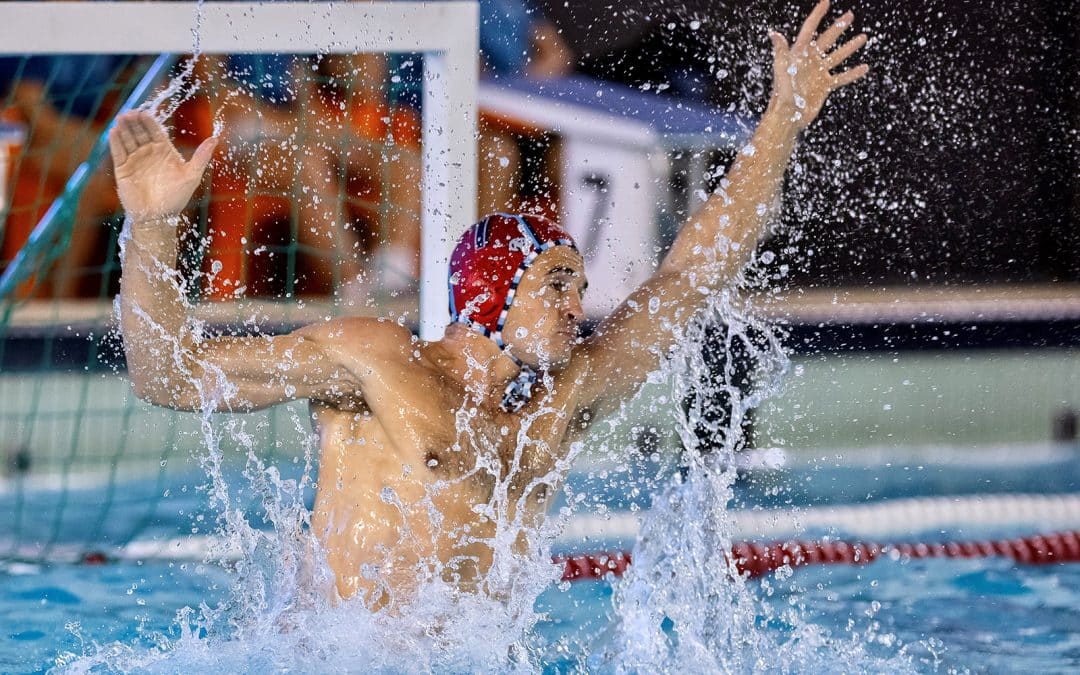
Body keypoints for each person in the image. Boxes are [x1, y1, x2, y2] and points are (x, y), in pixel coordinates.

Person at [110, 1, 867, 608]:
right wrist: (153, 226)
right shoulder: (375, 360)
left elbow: (689, 275)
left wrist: (781, 124)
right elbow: (169, 376)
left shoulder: (559, 403)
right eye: (557, 283)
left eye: (576, 284)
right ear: (491, 293)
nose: (579, 305)